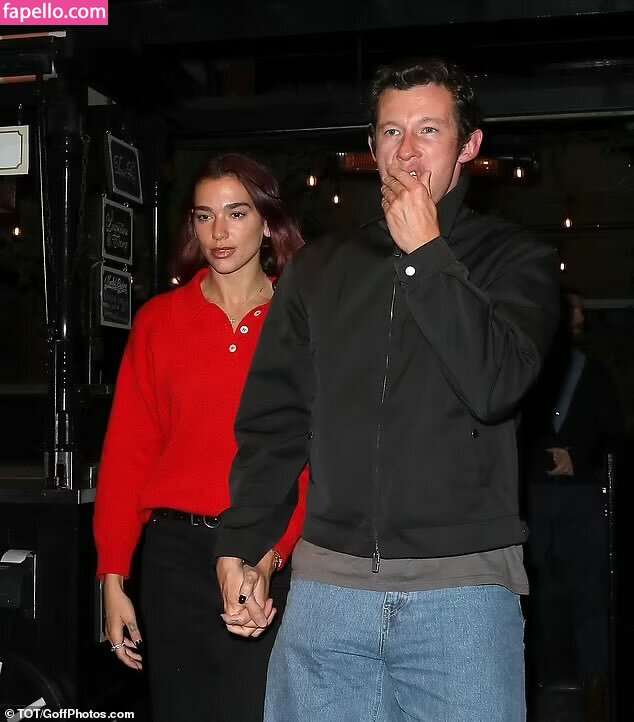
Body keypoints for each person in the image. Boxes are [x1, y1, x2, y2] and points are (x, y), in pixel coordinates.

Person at [215, 57, 560, 722]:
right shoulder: (319, 269)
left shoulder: (517, 259)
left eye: (429, 131)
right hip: (327, 595)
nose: (407, 151)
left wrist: (427, 255)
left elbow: (496, 384)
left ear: (468, 145)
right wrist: (243, 543)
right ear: (371, 148)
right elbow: (275, 423)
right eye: (391, 133)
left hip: (461, 594)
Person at [93, 153, 308, 722]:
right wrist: (113, 576)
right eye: (204, 215)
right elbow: (128, 454)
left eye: (236, 213)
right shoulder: (159, 322)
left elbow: (312, 461)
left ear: (267, 222)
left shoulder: (301, 320)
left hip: (267, 549)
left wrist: (270, 559)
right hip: (174, 559)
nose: (218, 232)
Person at [522, 289, 623, 720]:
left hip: (580, 494)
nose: (578, 316)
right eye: (572, 309)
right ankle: (533, 679)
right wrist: (543, 458)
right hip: (534, 492)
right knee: (530, 590)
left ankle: (595, 682)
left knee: (589, 590)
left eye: (580, 310)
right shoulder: (528, 365)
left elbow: (612, 428)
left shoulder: (595, 372)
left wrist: (577, 457)